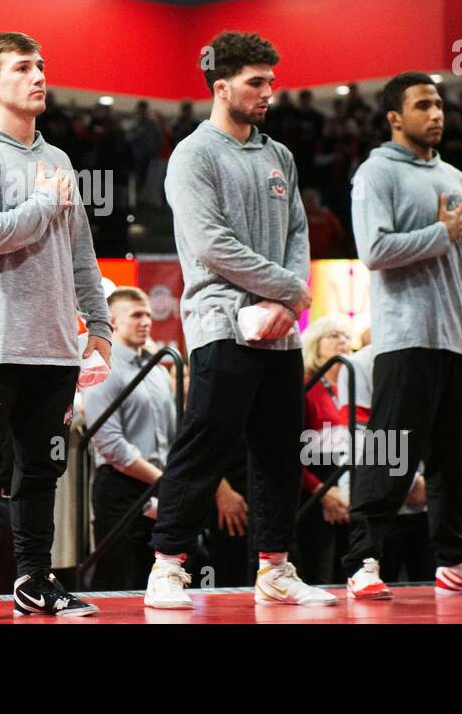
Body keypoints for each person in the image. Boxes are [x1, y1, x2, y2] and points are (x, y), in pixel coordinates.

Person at [142, 31, 329, 611]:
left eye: (272, 80)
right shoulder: (194, 155)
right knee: (206, 444)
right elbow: (212, 244)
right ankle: (167, 566)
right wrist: (289, 290)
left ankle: (274, 569)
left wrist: (288, 301)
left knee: (279, 451)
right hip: (221, 323)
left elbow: (299, 233)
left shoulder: (280, 155)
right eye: (256, 82)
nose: (270, 91)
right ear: (221, 87)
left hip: (280, 330)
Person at [0, 31, 111, 620]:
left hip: (55, 348)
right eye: (23, 68)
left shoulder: (59, 160)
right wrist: (42, 204)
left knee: (42, 470)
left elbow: (82, 255)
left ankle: (35, 579)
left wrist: (103, 329)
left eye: (41, 66)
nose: (39, 76)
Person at [343, 71, 462, 599]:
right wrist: (440, 233)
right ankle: (362, 561)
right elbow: (373, 251)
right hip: (405, 338)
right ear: (395, 117)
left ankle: (456, 559)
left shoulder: (457, 179)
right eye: (423, 105)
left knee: (453, 461)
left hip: (458, 340)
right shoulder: (375, 174)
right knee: (390, 452)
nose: (436, 114)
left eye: (439, 104)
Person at [83, 286, 177, 592]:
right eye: (136, 314)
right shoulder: (101, 368)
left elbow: (172, 435)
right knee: (117, 585)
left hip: (159, 486)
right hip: (120, 489)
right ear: (112, 321)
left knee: (157, 584)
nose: (146, 321)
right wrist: (162, 481)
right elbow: (109, 443)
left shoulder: (159, 371)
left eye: (149, 314)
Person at [296, 315, 357, 586]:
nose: (342, 341)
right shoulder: (306, 386)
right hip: (312, 494)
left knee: (348, 577)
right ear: (315, 344)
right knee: (320, 577)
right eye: (334, 335)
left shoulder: (353, 387)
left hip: (348, 491)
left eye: (346, 336)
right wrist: (323, 492)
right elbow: (288, 452)